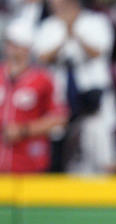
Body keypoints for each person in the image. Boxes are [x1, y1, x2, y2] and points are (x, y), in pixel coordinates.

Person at [34, 0, 116, 173]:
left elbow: (99, 52)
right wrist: (66, 34)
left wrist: (75, 32)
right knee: (62, 150)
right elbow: (42, 57)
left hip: (92, 99)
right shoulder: (48, 25)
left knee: (101, 151)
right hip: (61, 97)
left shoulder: (96, 21)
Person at [0, 20, 68, 173]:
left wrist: (24, 130)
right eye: (9, 43)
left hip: (29, 163)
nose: (11, 49)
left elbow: (59, 117)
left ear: (27, 48)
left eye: (16, 44)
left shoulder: (43, 79)